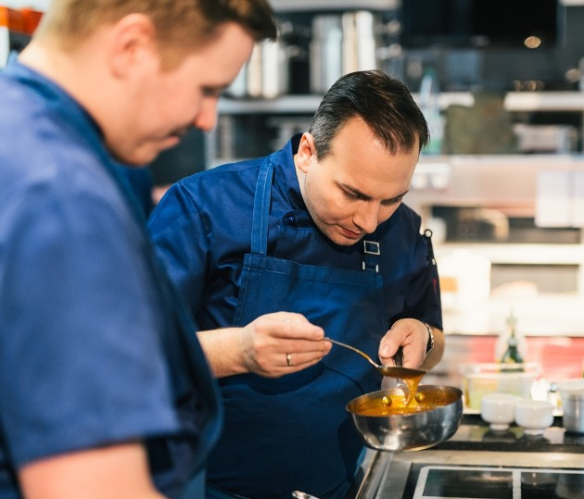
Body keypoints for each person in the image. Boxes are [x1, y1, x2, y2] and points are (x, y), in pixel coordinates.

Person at [0, 1, 284, 498]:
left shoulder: (18, 128)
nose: (206, 119)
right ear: (131, 47)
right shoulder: (63, 197)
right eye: (206, 89)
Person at [148, 69, 445, 499]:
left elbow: (433, 340)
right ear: (307, 152)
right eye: (353, 194)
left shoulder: (402, 232)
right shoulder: (203, 208)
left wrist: (423, 339)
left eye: (391, 199)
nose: (368, 221)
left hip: (339, 487)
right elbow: (131, 360)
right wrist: (240, 352)